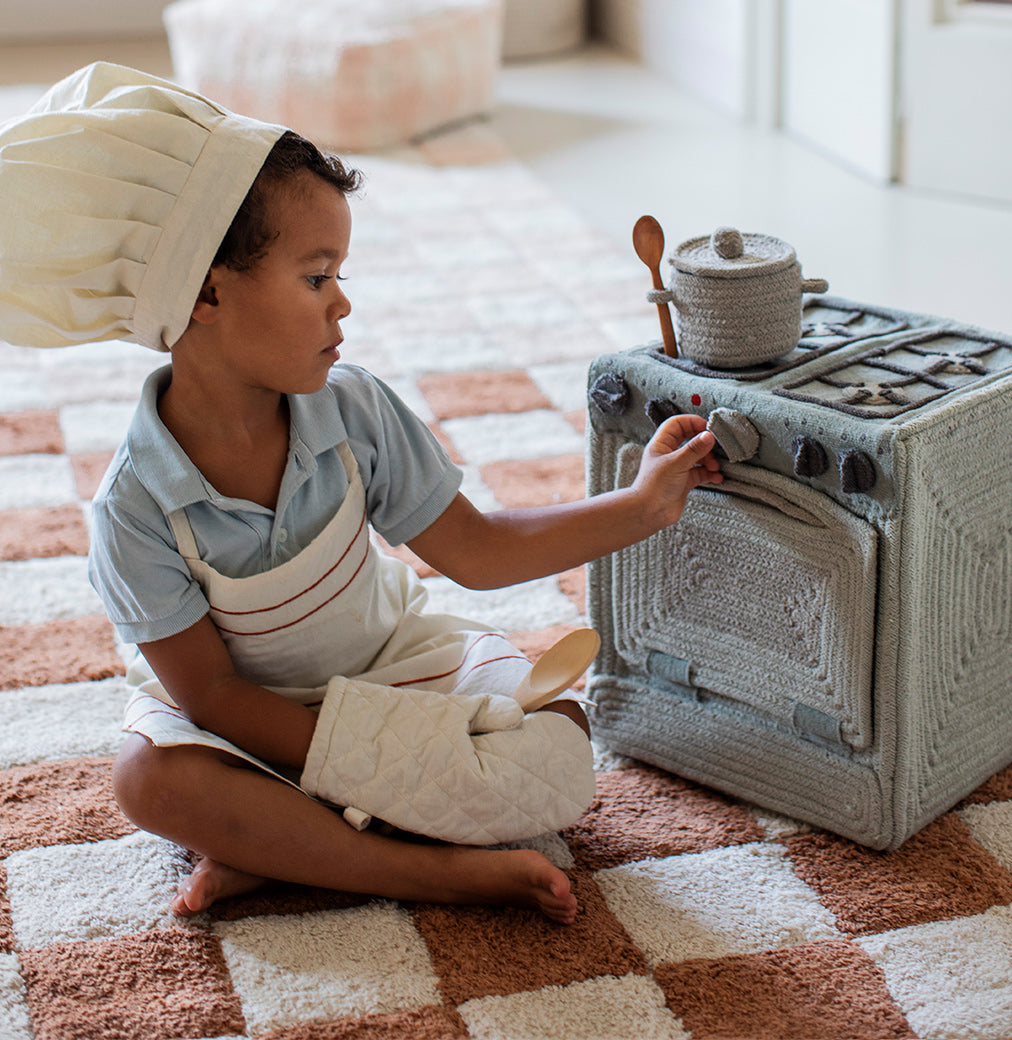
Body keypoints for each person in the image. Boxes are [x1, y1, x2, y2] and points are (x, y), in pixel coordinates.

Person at [0, 63, 723, 926]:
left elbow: (479, 552)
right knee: (147, 781)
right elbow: (213, 700)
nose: (343, 304)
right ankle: (440, 873)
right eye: (316, 277)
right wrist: (376, 759)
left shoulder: (355, 411)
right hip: (259, 726)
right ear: (205, 293)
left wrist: (642, 503)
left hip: (397, 667)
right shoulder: (133, 511)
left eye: (340, 274)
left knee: (562, 743)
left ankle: (293, 850)